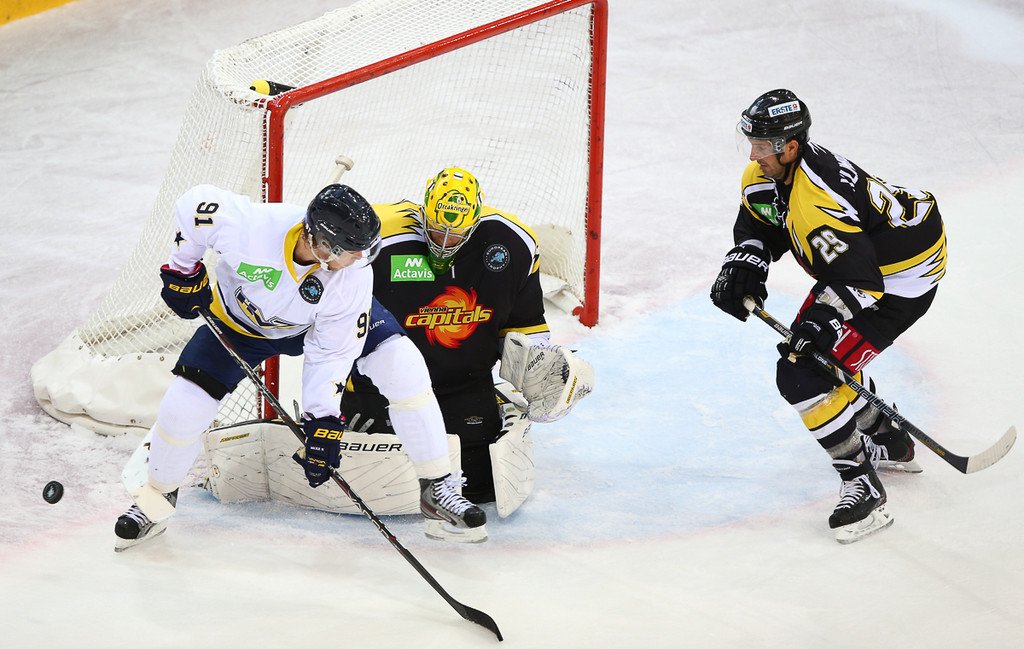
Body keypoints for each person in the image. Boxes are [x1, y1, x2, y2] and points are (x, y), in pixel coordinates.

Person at [115, 183, 485, 551]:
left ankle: (438, 489)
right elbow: (193, 205)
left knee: (402, 365)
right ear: (324, 246)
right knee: (183, 406)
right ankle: (156, 497)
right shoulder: (252, 227)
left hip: (315, 326)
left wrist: (321, 419)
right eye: (353, 251)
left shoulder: (352, 276)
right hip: (237, 325)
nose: (361, 258)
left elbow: (331, 354)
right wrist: (183, 268)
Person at [711, 89, 947, 544]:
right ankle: (889, 437)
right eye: (752, 144)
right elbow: (760, 222)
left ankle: (863, 485)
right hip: (867, 264)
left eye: (762, 146)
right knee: (815, 358)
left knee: (802, 373)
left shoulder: (817, 201)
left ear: (790, 147)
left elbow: (860, 282)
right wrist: (747, 259)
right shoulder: (771, 175)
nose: (754, 155)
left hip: (899, 281)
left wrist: (821, 323)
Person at [339, 167, 595, 506]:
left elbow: (525, 323)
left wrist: (539, 364)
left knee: (480, 488)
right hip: (382, 390)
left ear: (475, 221)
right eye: (436, 228)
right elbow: (331, 309)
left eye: (457, 233)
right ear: (423, 212)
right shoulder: (377, 238)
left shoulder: (513, 244)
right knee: (380, 487)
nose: (445, 241)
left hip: (464, 386)